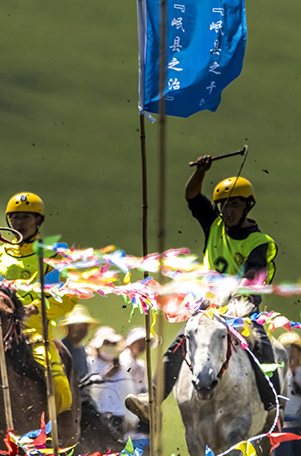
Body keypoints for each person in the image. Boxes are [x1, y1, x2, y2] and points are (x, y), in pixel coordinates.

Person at [126, 160, 279, 423]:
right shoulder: (214, 225)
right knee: (180, 344)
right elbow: (192, 196)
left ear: (247, 206)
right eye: (224, 204)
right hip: (208, 305)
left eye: (234, 204)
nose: (228, 210)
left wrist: (233, 288)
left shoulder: (260, 242)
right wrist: (200, 172)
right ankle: (151, 399)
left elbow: (254, 272)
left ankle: (275, 407)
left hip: (242, 306)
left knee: (262, 347)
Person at [0, 192, 75, 413]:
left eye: (26, 217)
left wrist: (36, 307)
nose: (20, 223)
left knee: (60, 389)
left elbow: (66, 295)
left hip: (34, 332)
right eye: (15, 218)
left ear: (38, 221)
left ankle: (55, 431)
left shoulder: (53, 256)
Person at [87, 326, 129, 435]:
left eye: (112, 344)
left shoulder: (122, 366)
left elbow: (127, 392)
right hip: (99, 414)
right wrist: (105, 377)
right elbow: (89, 390)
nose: (109, 347)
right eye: (107, 343)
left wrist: (130, 418)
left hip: (119, 415)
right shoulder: (91, 363)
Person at [57, 304, 99, 383]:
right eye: (78, 325)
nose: (82, 329)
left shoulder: (82, 349)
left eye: (84, 325)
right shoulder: (61, 349)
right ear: (69, 327)